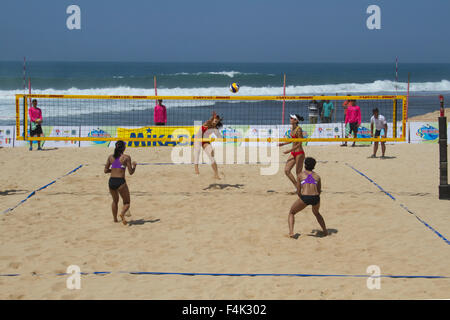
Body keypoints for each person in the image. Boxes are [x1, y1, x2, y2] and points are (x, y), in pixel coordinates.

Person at [288, 157, 328, 238]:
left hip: (305, 197)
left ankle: (291, 232)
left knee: (292, 213)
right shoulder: (317, 176)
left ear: (305, 165)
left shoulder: (300, 175)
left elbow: (298, 191)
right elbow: (319, 190)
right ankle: (325, 231)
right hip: (316, 197)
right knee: (317, 213)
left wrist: (302, 199)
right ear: (314, 166)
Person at [104, 140, 137, 225]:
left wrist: (114, 169)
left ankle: (115, 220)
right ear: (123, 148)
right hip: (120, 182)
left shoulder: (110, 157)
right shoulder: (126, 157)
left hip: (111, 181)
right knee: (127, 203)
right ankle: (122, 214)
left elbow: (105, 170)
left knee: (115, 201)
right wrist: (134, 166)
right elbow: (131, 172)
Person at [279, 114, 305, 192]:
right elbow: (293, 140)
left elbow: (300, 143)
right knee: (287, 170)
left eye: (292, 118)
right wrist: (283, 144)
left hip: (299, 153)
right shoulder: (292, 128)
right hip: (293, 153)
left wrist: (289, 150)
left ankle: (304, 188)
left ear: (296, 121)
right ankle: (297, 186)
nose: (290, 119)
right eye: (290, 118)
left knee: (298, 173)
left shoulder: (299, 129)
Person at [194, 111, 223, 179]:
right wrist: (214, 116)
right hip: (198, 139)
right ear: (212, 119)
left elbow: (220, 137)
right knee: (197, 152)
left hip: (205, 140)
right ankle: (196, 168)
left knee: (211, 157)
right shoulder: (208, 122)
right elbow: (211, 121)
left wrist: (219, 137)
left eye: (216, 122)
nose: (214, 122)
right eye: (214, 121)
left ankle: (216, 174)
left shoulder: (215, 129)